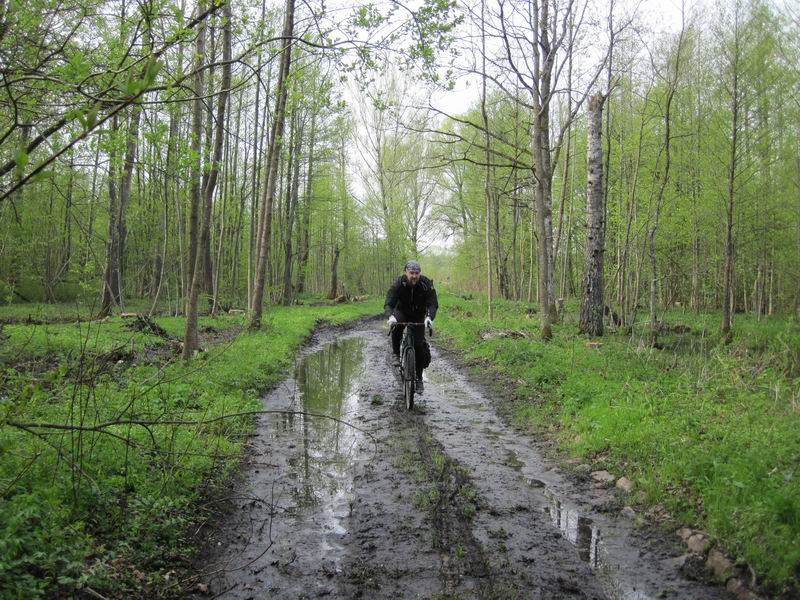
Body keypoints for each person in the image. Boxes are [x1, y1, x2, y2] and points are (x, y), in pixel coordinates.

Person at [384, 260, 438, 390]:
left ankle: (419, 378)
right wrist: (390, 316)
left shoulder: (425, 284)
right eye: (411, 273)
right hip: (401, 311)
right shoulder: (399, 283)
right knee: (397, 325)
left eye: (417, 273)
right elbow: (389, 302)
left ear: (420, 273)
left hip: (419, 314)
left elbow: (432, 303)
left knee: (419, 346)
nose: (414, 276)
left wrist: (429, 317)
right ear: (406, 272)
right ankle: (396, 354)